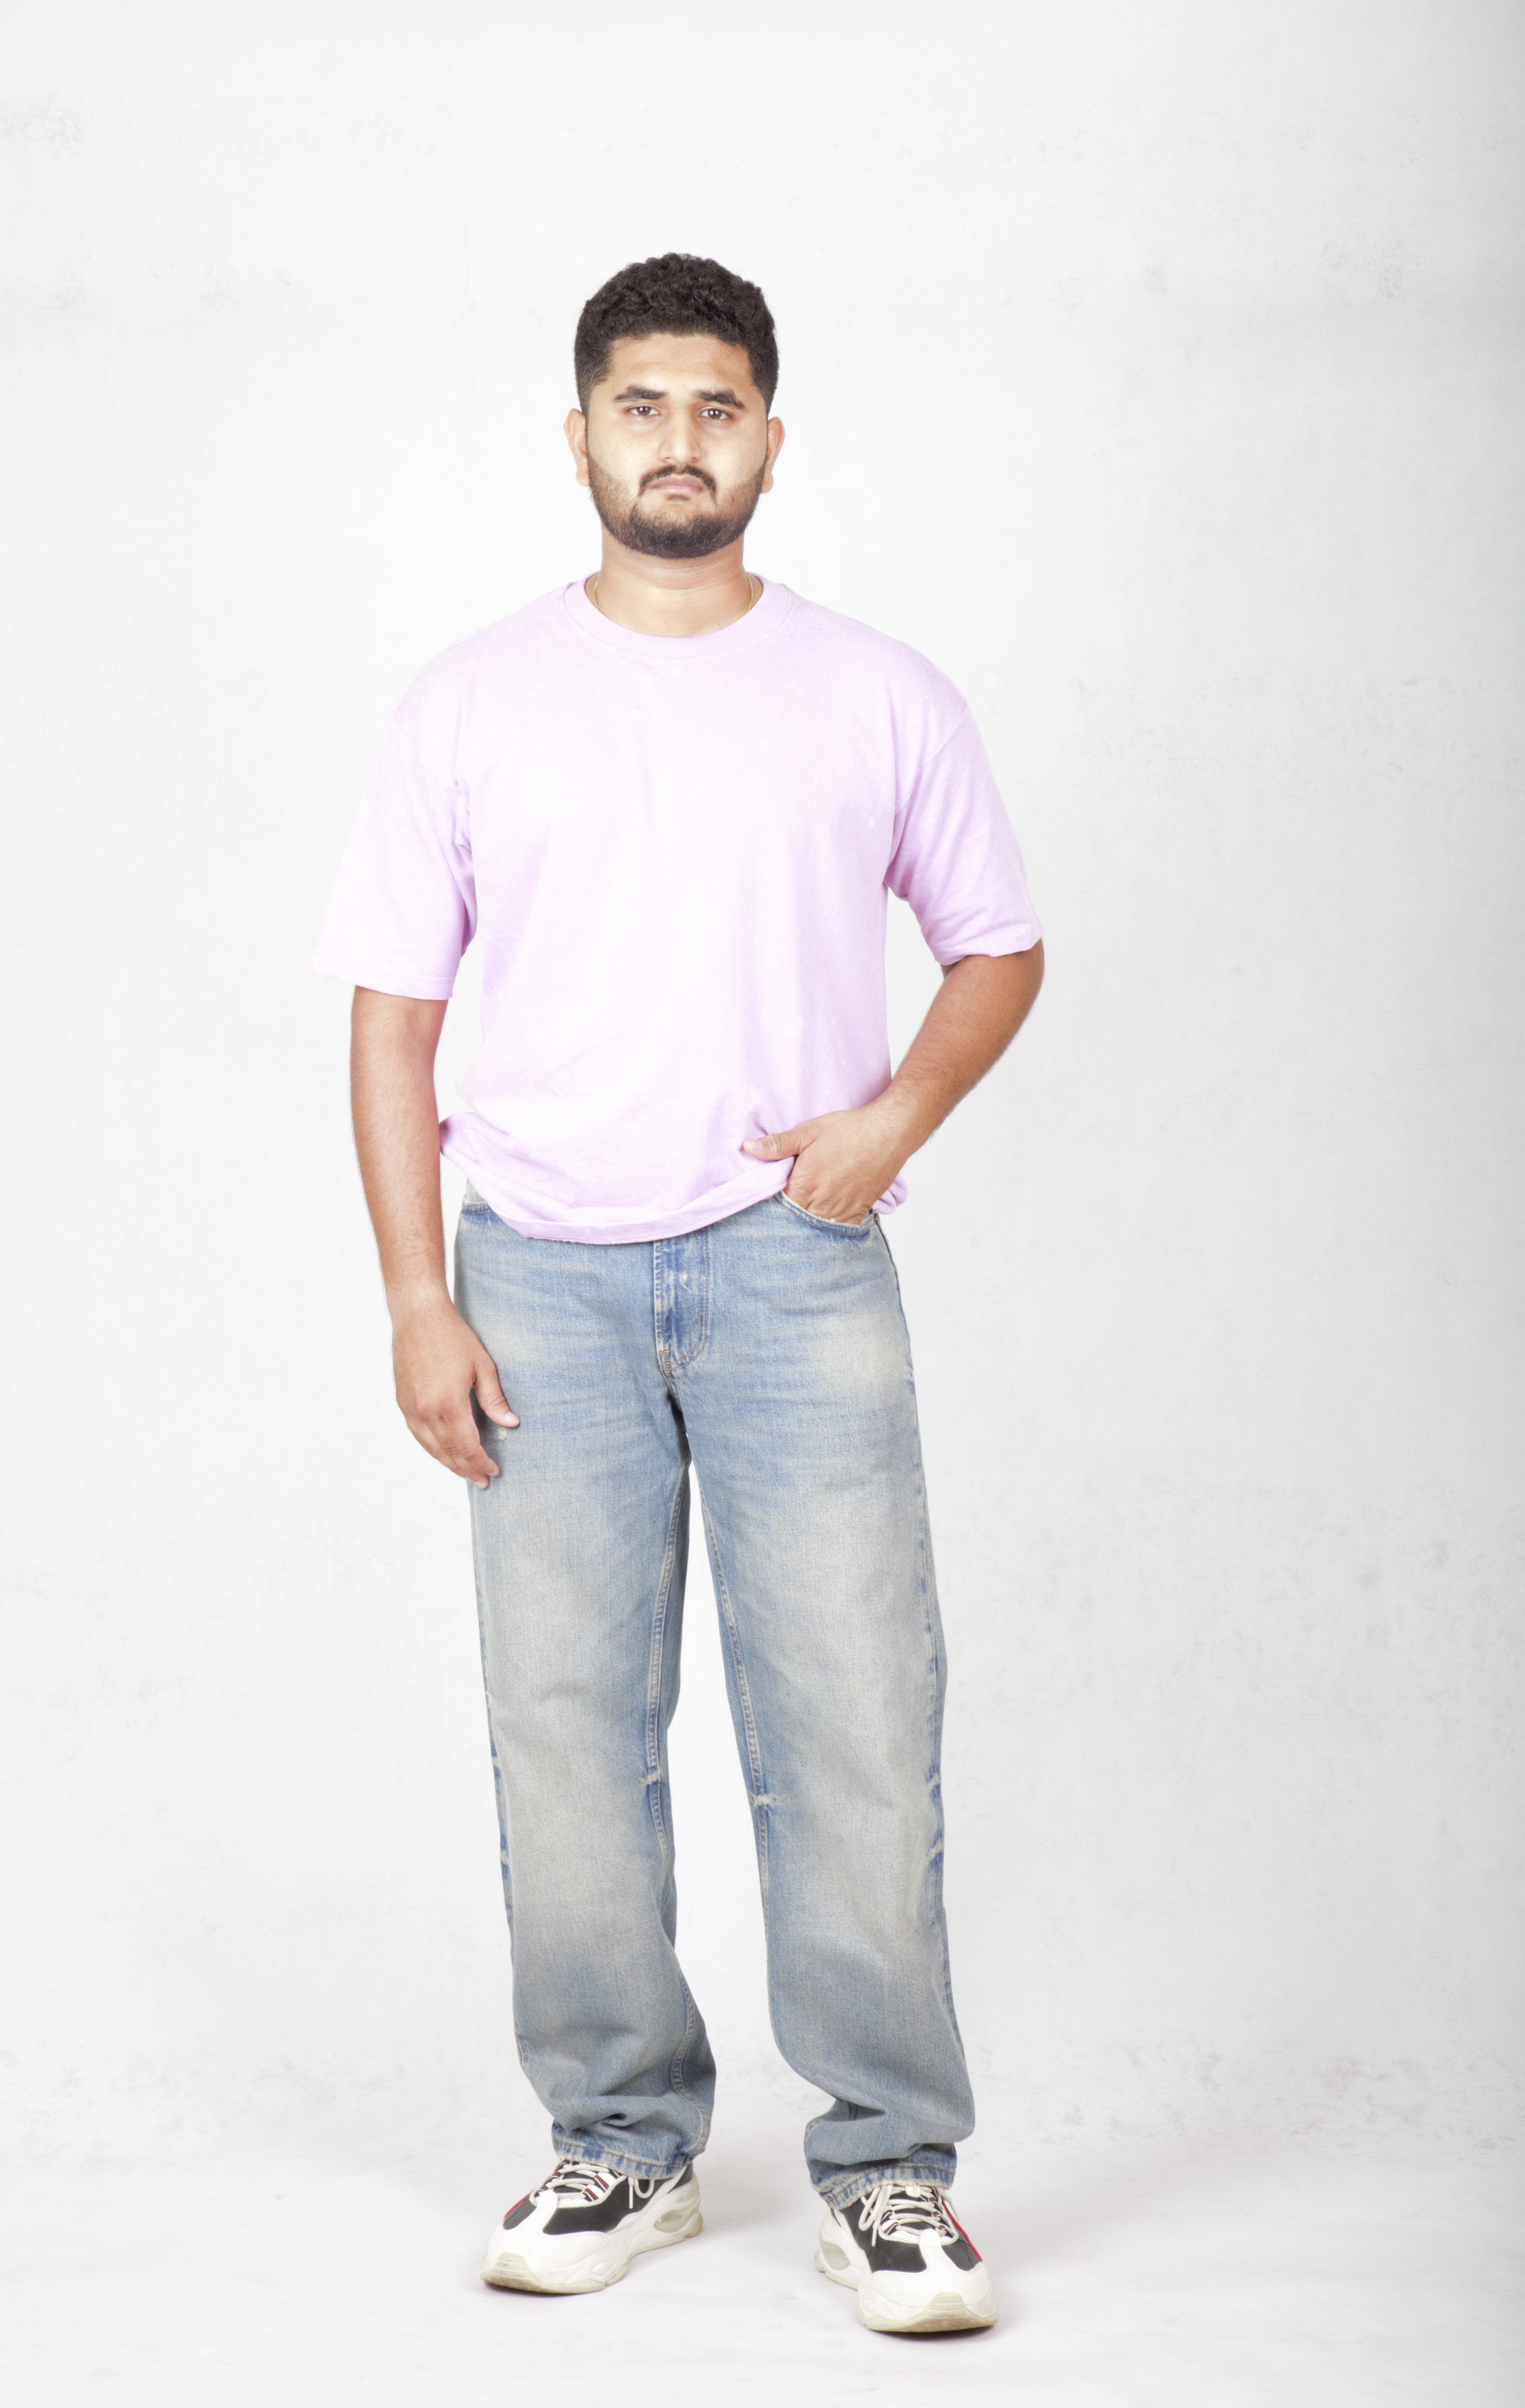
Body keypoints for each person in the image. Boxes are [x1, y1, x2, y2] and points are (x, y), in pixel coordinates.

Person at [314, 253, 1043, 2337]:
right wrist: (416, 1297)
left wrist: (894, 1115)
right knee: (564, 1731)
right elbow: (392, 1020)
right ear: (580, 437)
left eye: (716, 407)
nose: (678, 441)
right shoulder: (470, 701)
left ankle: (890, 2170)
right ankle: (620, 2139)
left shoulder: (877, 693)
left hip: (796, 1266)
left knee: (856, 1722)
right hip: (536, 1274)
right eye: (641, 405)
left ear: (771, 442)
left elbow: (997, 944)